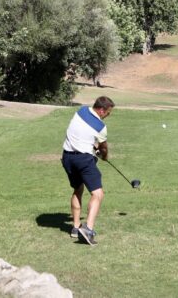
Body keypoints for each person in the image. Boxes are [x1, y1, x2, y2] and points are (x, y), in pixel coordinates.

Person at [61, 95, 114, 245]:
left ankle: (75, 227)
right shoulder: (101, 127)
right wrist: (104, 156)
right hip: (83, 160)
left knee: (78, 189)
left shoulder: (81, 111)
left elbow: (82, 134)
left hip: (67, 158)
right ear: (102, 110)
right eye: (108, 112)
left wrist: (92, 146)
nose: (108, 115)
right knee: (98, 194)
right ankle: (88, 230)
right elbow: (103, 147)